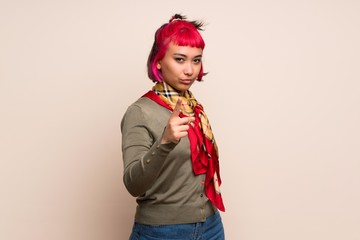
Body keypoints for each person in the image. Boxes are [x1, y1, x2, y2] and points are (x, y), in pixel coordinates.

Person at [121, 14, 225, 240]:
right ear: (158, 61)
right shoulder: (140, 112)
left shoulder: (193, 107)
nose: (190, 70)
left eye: (196, 60)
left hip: (211, 226)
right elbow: (132, 184)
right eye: (180, 59)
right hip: (163, 232)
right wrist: (164, 143)